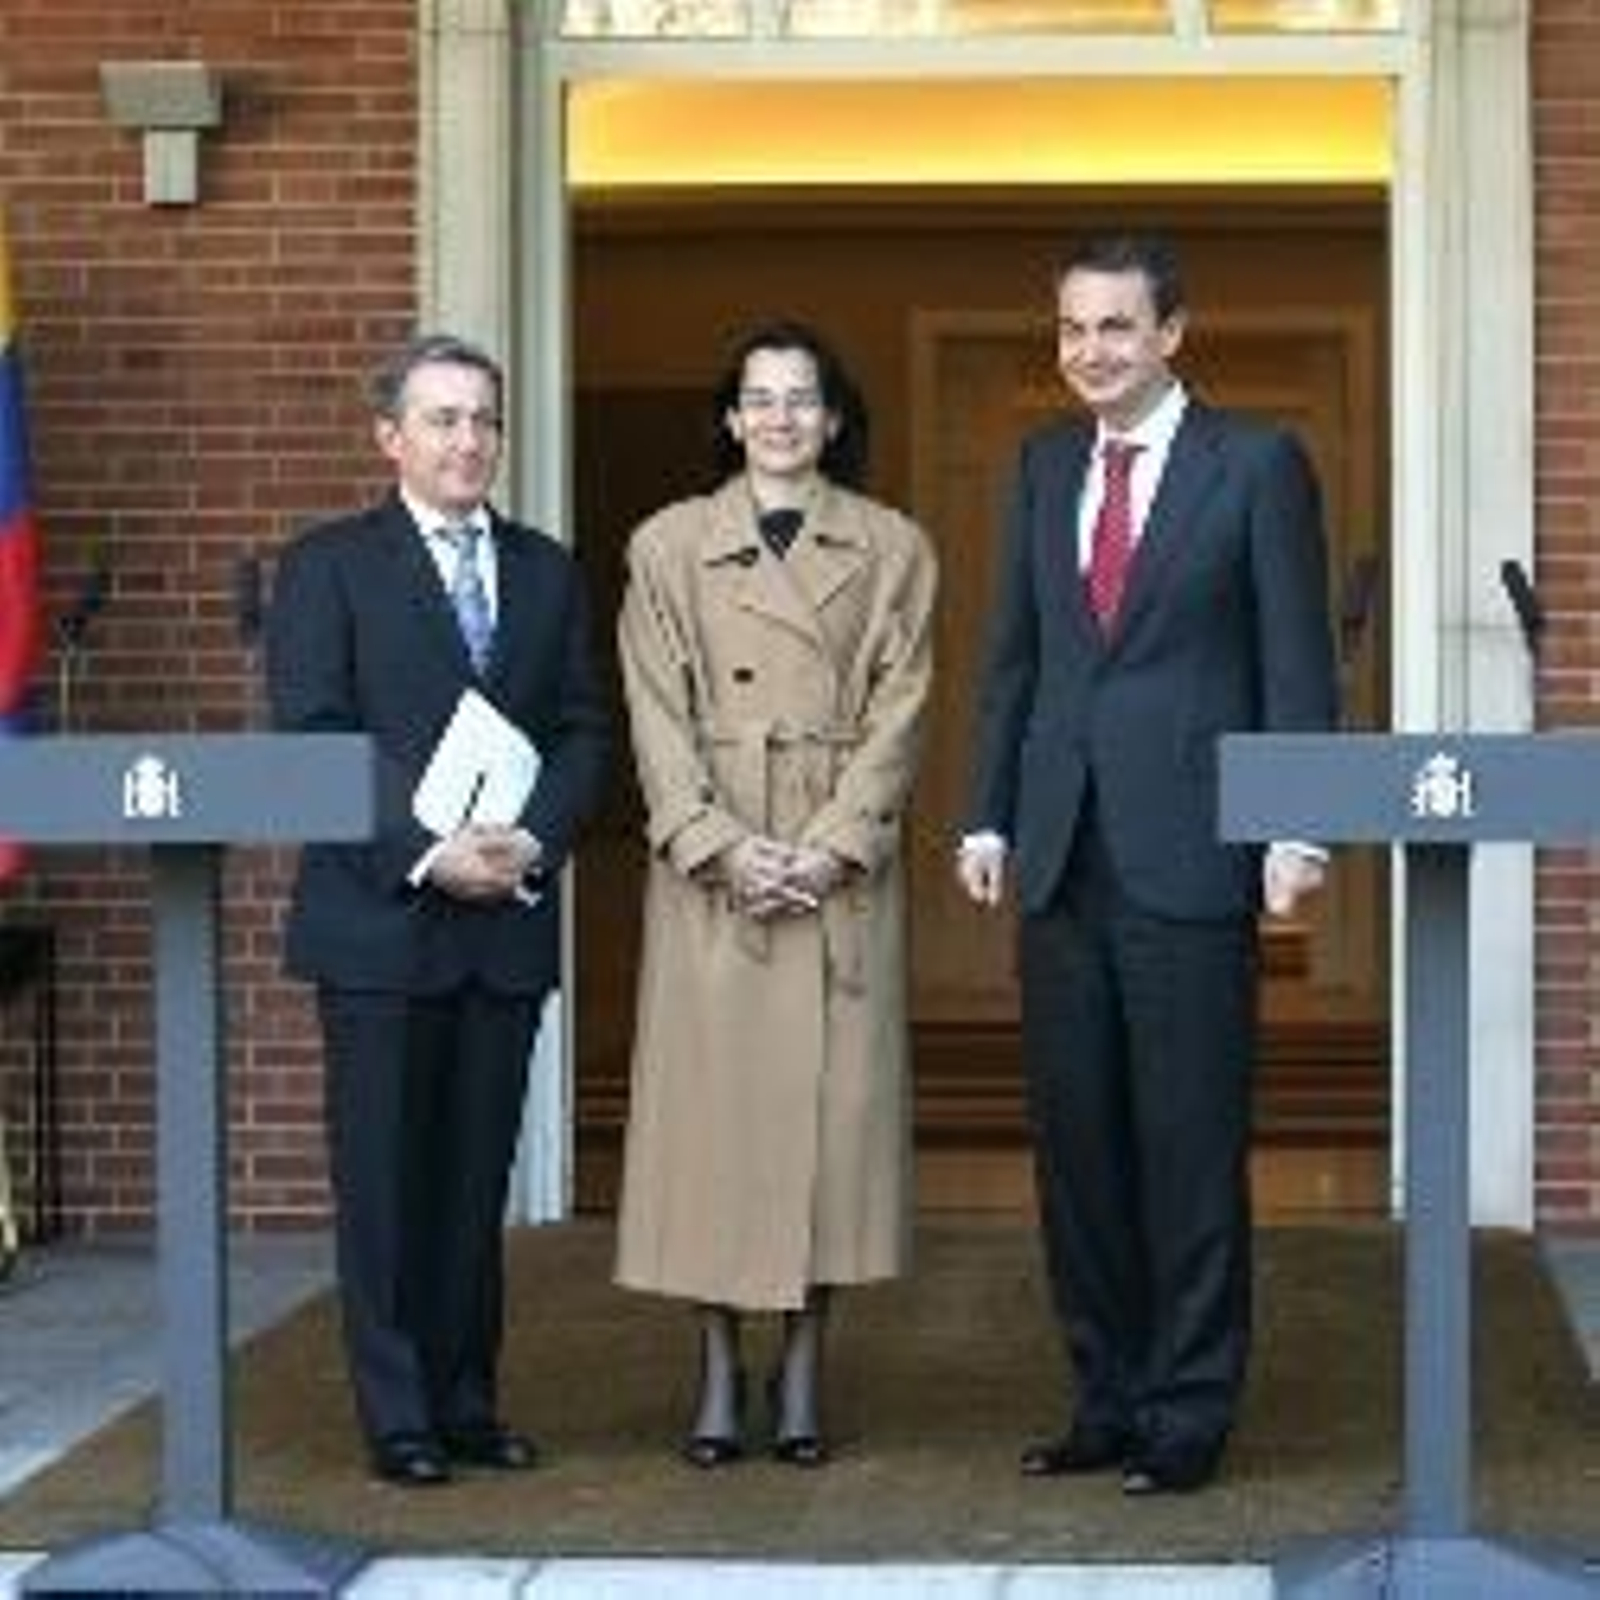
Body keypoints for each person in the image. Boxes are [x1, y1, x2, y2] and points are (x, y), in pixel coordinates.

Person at [958, 234, 1338, 1495]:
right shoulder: (1041, 463)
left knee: (1186, 1144)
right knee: (1079, 1151)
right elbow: (1013, 657)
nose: (1089, 352)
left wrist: (1295, 824)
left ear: (1172, 333)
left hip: (1191, 855)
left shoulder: (1258, 464)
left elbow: (1297, 659)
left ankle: (1189, 1409)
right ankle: (1104, 1397)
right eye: (1072, 329)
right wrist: (988, 816)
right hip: (1062, 856)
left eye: (1115, 328)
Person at [265, 332, 608, 1487]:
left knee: (472, 1188)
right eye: (444, 419)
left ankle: (467, 1403)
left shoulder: (549, 568)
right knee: (384, 1185)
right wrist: (423, 852)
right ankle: (398, 1418)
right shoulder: (327, 567)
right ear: (390, 437)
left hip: (502, 921)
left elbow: (581, 730)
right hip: (378, 923)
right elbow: (312, 735)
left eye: (484, 420)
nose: (469, 440)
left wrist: (534, 838)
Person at [613, 320, 937, 1469]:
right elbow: (652, 709)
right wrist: (712, 839)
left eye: (802, 398)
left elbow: (904, 707)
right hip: (716, 872)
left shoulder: (894, 546)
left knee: (827, 1130)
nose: (780, 418)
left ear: (833, 417)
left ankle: (802, 1368)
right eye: (758, 398)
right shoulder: (665, 546)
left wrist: (837, 840)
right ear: (731, 417)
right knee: (711, 1130)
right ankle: (713, 1364)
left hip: (833, 867)